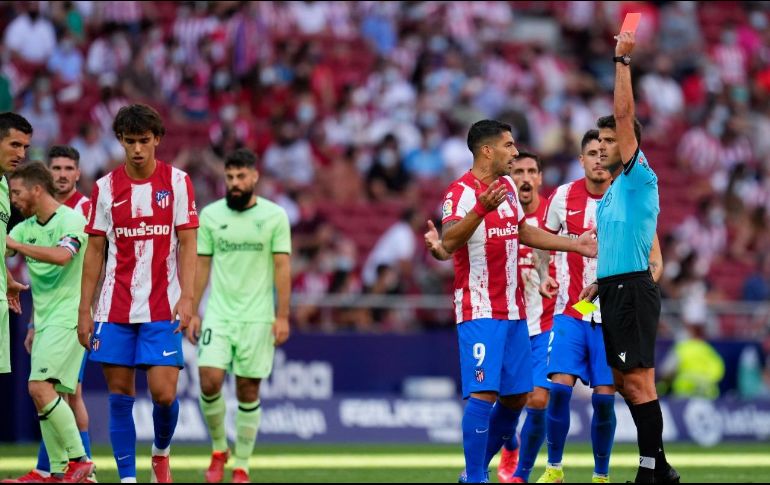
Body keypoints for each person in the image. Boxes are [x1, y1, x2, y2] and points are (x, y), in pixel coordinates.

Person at [425, 119, 596, 484]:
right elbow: (449, 239)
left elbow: (522, 230)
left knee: (518, 397)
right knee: (484, 393)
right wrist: (479, 211)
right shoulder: (460, 193)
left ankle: (475, 469)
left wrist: (574, 243)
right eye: (509, 146)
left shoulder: (505, 187)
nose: (514, 152)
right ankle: (475, 477)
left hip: (516, 312)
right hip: (480, 309)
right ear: (487, 150)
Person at [77, 104, 199, 484]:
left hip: (163, 305)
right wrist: (85, 308)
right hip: (115, 307)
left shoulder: (178, 182)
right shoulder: (104, 188)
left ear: (157, 140)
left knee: (164, 393)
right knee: (120, 395)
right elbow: (95, 250)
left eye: (144, 141)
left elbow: (188, 242)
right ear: (120, 141)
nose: (137, 149)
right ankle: (128, 479)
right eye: (129, 141)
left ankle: (161, 452)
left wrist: (189, 297)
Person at [579, 31, 679, 484]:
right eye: (596, 142)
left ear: (628, 141)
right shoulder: (612, 193)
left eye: (608, 139)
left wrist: (621, 59)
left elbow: (624, 113)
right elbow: (621, 245)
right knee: (627, 382)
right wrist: (599, 281)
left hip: (634, 290)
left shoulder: (640, 177)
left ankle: (650, 471)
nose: (601, 148)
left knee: (636, 383)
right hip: (616, 288)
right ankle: (660, 467)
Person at [536, 130, 662, 483]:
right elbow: (542, 242)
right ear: (581, 159)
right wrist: (545, 271)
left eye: (601, 150)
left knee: (605, 398)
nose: (597, 156)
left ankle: (600, 475)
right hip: (573, 309)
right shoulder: (562, 196)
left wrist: (637, 293)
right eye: (590, 151)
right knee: (559, 387)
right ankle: (554, 468)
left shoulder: (627, 197)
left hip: (613, 313)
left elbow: (655, 259)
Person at [191, 148, 291, 484]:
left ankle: (243, 465)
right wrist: (191, 310)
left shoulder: (275, 216)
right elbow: (201, 266)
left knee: (248, 390)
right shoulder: (210, 216)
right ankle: (220, 449)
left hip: (258, 318)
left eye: (240, 177)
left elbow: (282, 269)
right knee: (209, 380)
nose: (234, 183)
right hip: (218, 314)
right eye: (229, 177)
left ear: (254, 177)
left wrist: (283, 316)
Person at [2, 162, 94, 483]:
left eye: (17, 192)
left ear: (37, 189)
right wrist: (10, 278)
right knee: (47, 396)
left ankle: (78, 459)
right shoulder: (25, 227)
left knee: (39, 388)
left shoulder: (73, 220)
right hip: (43, 321)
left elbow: (62, 256)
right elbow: (3, 250)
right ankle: (58, 472)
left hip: (70, 318)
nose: (13, 199)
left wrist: (15, 247)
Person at [0, 112, 33, 375]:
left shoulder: (4, 185)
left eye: (25, 147)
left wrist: (6, 275)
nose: (21, 154)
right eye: (14, 145)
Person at [49, 145, 91, 218]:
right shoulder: (37, 207)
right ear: (47, 172)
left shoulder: (88, 209)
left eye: (69, 169)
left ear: (78, 174)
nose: (62, 175)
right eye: (57, 168)